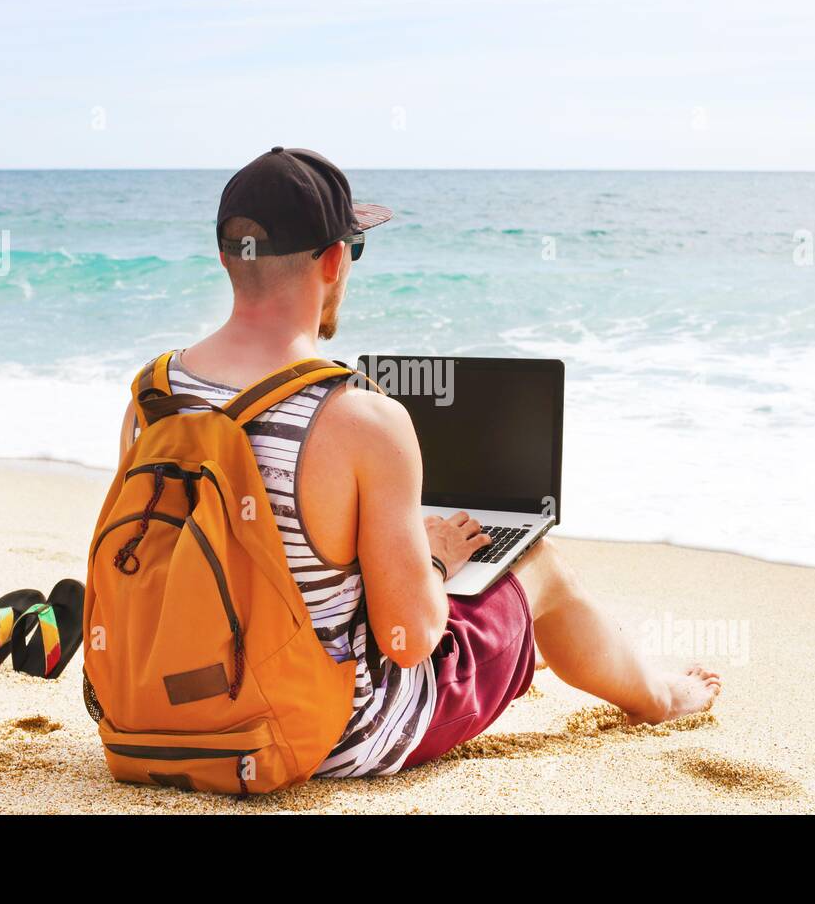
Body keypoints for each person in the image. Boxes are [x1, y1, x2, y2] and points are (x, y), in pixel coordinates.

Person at [118, 147, 721, 776]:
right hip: (320, 734)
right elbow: (409, 640)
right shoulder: (360, 416)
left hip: (155, 713)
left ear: (226, 257)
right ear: (334, 259)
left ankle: (530, 648)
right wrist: (433, 557)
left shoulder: (153, 393)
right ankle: (659, 696)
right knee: (538, 564)